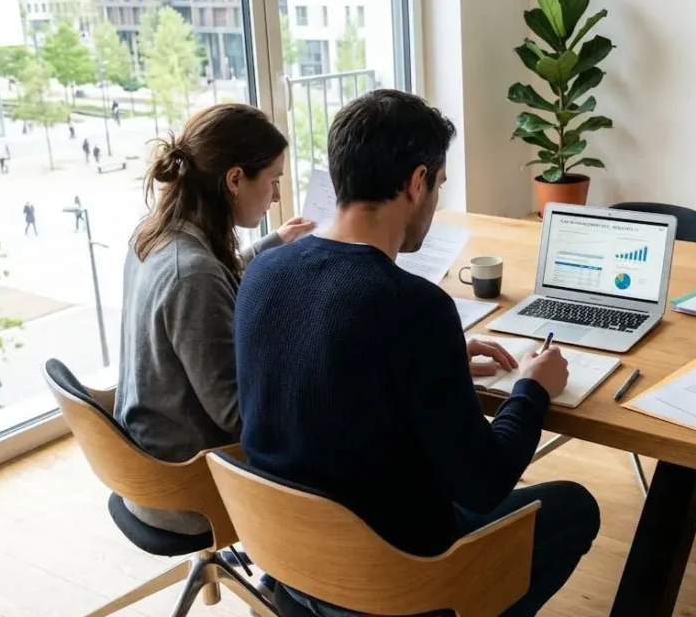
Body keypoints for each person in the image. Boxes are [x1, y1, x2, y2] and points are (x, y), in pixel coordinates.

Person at [234, 89, 598, 617]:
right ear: (417, 181)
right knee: (575, 507)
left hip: (294, 570)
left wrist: (442, 362)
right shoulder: (414, 308)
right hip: (400, 582)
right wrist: (532, 390)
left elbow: (334, 374)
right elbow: (483, 485)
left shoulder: (263, 273)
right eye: (440, 186)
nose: (436, 202)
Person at [115, 102, 315, 537]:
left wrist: (273, 244)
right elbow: (240, 417)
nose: (277, 197)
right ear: (235, 179)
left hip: (151, 464)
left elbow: (208, 282)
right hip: (186, 487)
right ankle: (302, 576)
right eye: (273, 181)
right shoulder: (192, 275)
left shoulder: (156, 236)